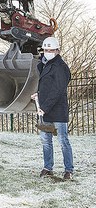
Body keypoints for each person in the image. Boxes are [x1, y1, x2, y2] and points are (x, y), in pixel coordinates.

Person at [31, 36, 73, 180]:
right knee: (46, 141)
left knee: (63, 141)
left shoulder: (60, 67)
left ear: (57, 50)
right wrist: (38, 94)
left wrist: (45, 107)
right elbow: (47, 86)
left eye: (51, 50)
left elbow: (58, 90)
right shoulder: (43, 64)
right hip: (44, 111)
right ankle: (48, 167)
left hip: (57, 111)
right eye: (46, 49)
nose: (48, 52)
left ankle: (69, 170)